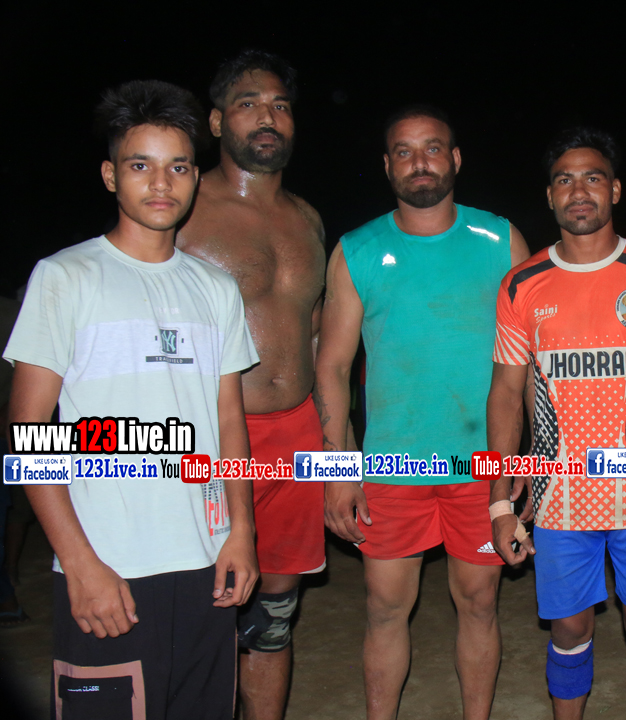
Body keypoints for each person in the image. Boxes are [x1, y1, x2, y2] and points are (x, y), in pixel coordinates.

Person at [4, 80, 259, 719]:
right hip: (108, 566)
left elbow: (228, 420)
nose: (161, 183)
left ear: (196, 177)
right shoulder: (65, 277)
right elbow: (27, 433)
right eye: (140, 166)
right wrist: (79, 563)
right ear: (110, 175)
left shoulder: (216, 289)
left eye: (179, 167)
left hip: (206, 560)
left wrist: (242, 531)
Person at [488, 127, 626, 720]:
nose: (579, 190)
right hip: (559, 493)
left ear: (614, 189)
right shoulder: (521, 284)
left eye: (592, 177)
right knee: (568, 628)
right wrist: (499, 501)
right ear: (549, 196)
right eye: (564, 180)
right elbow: (507, 394)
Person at [316, 105, 530, 720]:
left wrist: (523, 457)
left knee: (480, 602)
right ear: (388, 166)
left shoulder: (501, 240)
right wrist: (337, 470)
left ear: (455, 159)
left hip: (481, 464)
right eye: (404, 152)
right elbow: (331, 367)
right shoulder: (356, 249)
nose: (420, 162)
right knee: (385, 608)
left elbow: (530, 359)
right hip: (391, 467)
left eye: (432, 148)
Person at [176, 50, 327, 720]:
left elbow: (318, 338)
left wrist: (335, 449)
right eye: (248, 103)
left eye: (280, 105)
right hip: (208, 439)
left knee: (274, 618)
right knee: (199, 611)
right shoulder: (180, 209)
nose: (267, 117)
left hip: (296, 436)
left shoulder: (308, 218)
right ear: (216, 121)